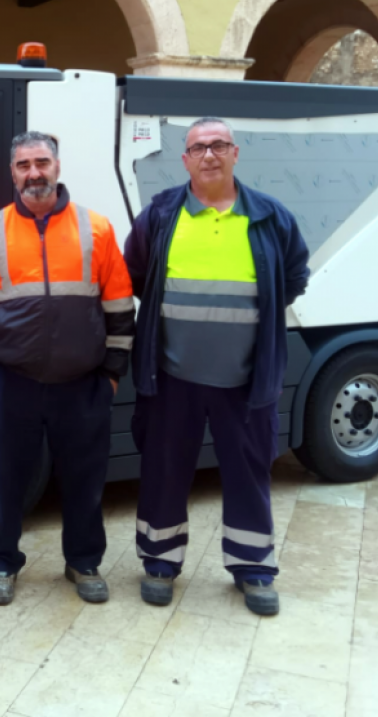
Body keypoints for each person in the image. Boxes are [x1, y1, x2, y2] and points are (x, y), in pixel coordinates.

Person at [124, 117, 309, 617]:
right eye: (198, 147)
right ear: (184, 159)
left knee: (249, 474)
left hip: (245, 380)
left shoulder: (269, 216)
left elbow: (294, 273)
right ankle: (159, 562)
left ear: (235, 153)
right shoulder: (161, 214)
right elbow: (137, 273)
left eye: (218, 146)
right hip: (171, 378)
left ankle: (253, 569)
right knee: (164, 470)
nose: (209, 155)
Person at [0, 131, 136, 606]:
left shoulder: (97, 229)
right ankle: (4, 564)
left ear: (57, 166)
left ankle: (84, 562)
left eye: (42, 162)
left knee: (85, 478)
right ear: (13, 173)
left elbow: (119, 306)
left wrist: (112, 370)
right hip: (15, 380)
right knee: (7, 479)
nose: (34, 172)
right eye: (24, 164)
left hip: (83, 381)